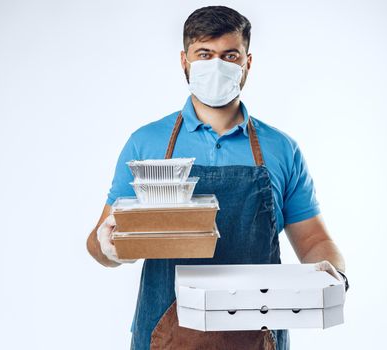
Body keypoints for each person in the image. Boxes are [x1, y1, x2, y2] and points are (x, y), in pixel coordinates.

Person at [86, 5, 348, 350]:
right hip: (166, 337)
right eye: (205, 54)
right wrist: (110, 247)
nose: (216, 66)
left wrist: (333, 276)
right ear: (185, 61)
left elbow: (313, 239)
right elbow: (99, 243)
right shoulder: (146, 143)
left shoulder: (281, 149)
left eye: (229, 56)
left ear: (247, 64)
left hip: (257, 336)